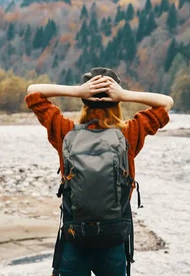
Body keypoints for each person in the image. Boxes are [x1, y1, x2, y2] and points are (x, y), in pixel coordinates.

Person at [25, 67, 173, 276]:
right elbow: (166, 103)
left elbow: (33, 92)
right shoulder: (129, 134)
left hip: (75, 236)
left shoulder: (66, 133)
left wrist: (78, 91)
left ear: (85, 101)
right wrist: (125, 94)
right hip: (113, 238)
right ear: (117, 102)